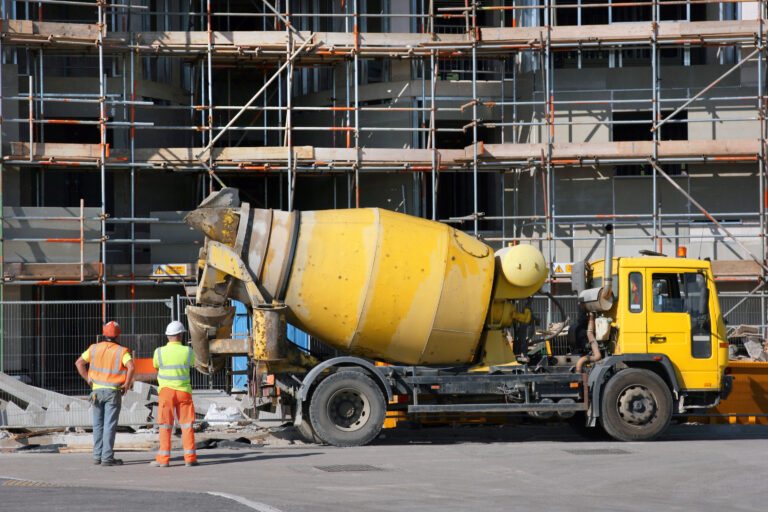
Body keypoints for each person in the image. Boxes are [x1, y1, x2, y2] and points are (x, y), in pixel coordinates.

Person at [75, 320, 135, 466]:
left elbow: (79, 363)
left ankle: (97, 456)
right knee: (109, 425)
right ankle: (107, 458)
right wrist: (127, 384)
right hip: (113, 392)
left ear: (104, 333)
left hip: (96, 391)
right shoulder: (121, 351)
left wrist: (89, 379)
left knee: (98, 424)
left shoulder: (94, 348)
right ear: (118, 335)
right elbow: (131, 367)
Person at [151, 320, 198, 467]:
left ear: (168, 336)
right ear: (181, 335)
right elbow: (192, 364)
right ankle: (190, 459)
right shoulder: (188, 351)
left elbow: (155, 366)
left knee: (165, 426)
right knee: (186, 425)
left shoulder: (158, 352)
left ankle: (163, 460)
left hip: (166, 393)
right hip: (184, 392)